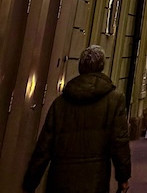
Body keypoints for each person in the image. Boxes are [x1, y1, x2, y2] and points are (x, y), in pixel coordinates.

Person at [22, 44, 131, 193]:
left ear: (80, 68)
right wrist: (123, 178)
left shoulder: (60, 103)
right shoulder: (114, 100)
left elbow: (44, 147)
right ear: (101, 67)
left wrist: (30, 182)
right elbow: (119, 143)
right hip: (95, 179)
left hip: (60, 179)